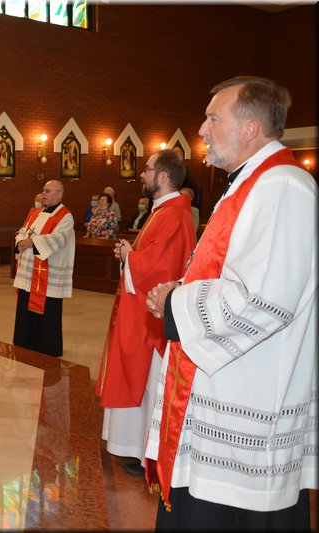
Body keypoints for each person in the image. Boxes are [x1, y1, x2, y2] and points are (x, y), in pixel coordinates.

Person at [144, 76, 317, 529]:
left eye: (213, 118)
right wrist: (182, 291)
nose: (202, 129)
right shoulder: (249, 186)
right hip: (224, 388)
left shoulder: (283, 186)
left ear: (250, 128)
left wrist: (177, 302)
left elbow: (262, 299)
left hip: (249, 407)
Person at [95, 149, 196, 478]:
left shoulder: (174, 214)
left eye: (148, 169)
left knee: (148, 383)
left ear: (164, 176)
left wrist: (131, 256)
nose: (142, 174)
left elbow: (163, 268)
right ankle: (133, 447)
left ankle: (145, 454)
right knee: (135, 376)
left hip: (151, 319)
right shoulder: (163, 211)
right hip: (138, 312)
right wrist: (129, 255)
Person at [12, 180, 75, 357]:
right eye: (44, 190)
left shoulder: (65, 216)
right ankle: (25, 342)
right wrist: (20, 241)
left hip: (48, 273)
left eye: (48, 191)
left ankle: (47, 347)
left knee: (48, 313)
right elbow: (23, 230)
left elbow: (58, 239)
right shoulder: (36, 212)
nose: (43, 194)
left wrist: (32, 243)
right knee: (25, 307)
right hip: (29, 272)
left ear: (59, 194)